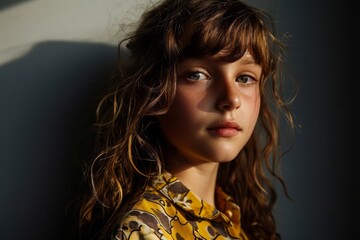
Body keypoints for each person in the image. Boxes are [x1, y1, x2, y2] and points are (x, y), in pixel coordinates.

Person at [79, 0, 296, 239]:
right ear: (151, 92)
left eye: (245, 78)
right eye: (197, 75)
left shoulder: (239, 219)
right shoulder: (146, 230)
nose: (231, 99)